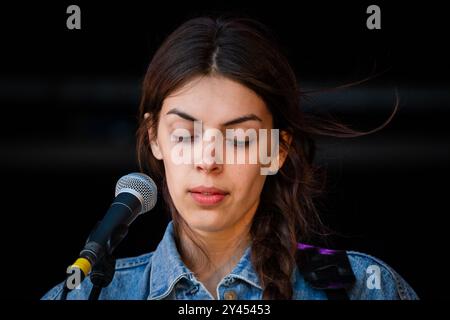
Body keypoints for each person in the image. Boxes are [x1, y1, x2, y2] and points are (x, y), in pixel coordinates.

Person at [42, 15, 418, 300]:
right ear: (155, 137)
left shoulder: (364, 288)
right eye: (186, 135)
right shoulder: (87, 294)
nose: (208, 161)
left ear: (276, 150)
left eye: (238, 138)